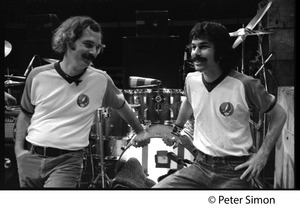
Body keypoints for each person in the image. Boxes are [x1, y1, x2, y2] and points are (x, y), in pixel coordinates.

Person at [14, 16, 151, 188]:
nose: (94, 52)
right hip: (30, 159)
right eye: (88, 45)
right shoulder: (37, 76)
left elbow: (122, 105)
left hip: (67, 162)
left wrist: (140, 131)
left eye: (97, 47)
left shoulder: (101, 80)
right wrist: (19, 151)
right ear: (69, 40)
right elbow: (25, 114)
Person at [153, 21, 287, 189]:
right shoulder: (191, 80)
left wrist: (263, 154)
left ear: (221, 51)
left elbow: (280, 114)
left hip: (234, 170)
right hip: (200, 166)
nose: (195, 53)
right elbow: (189, 101)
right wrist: (176, 130)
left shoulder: (245, 84)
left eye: (203, 47)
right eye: (193, 47)